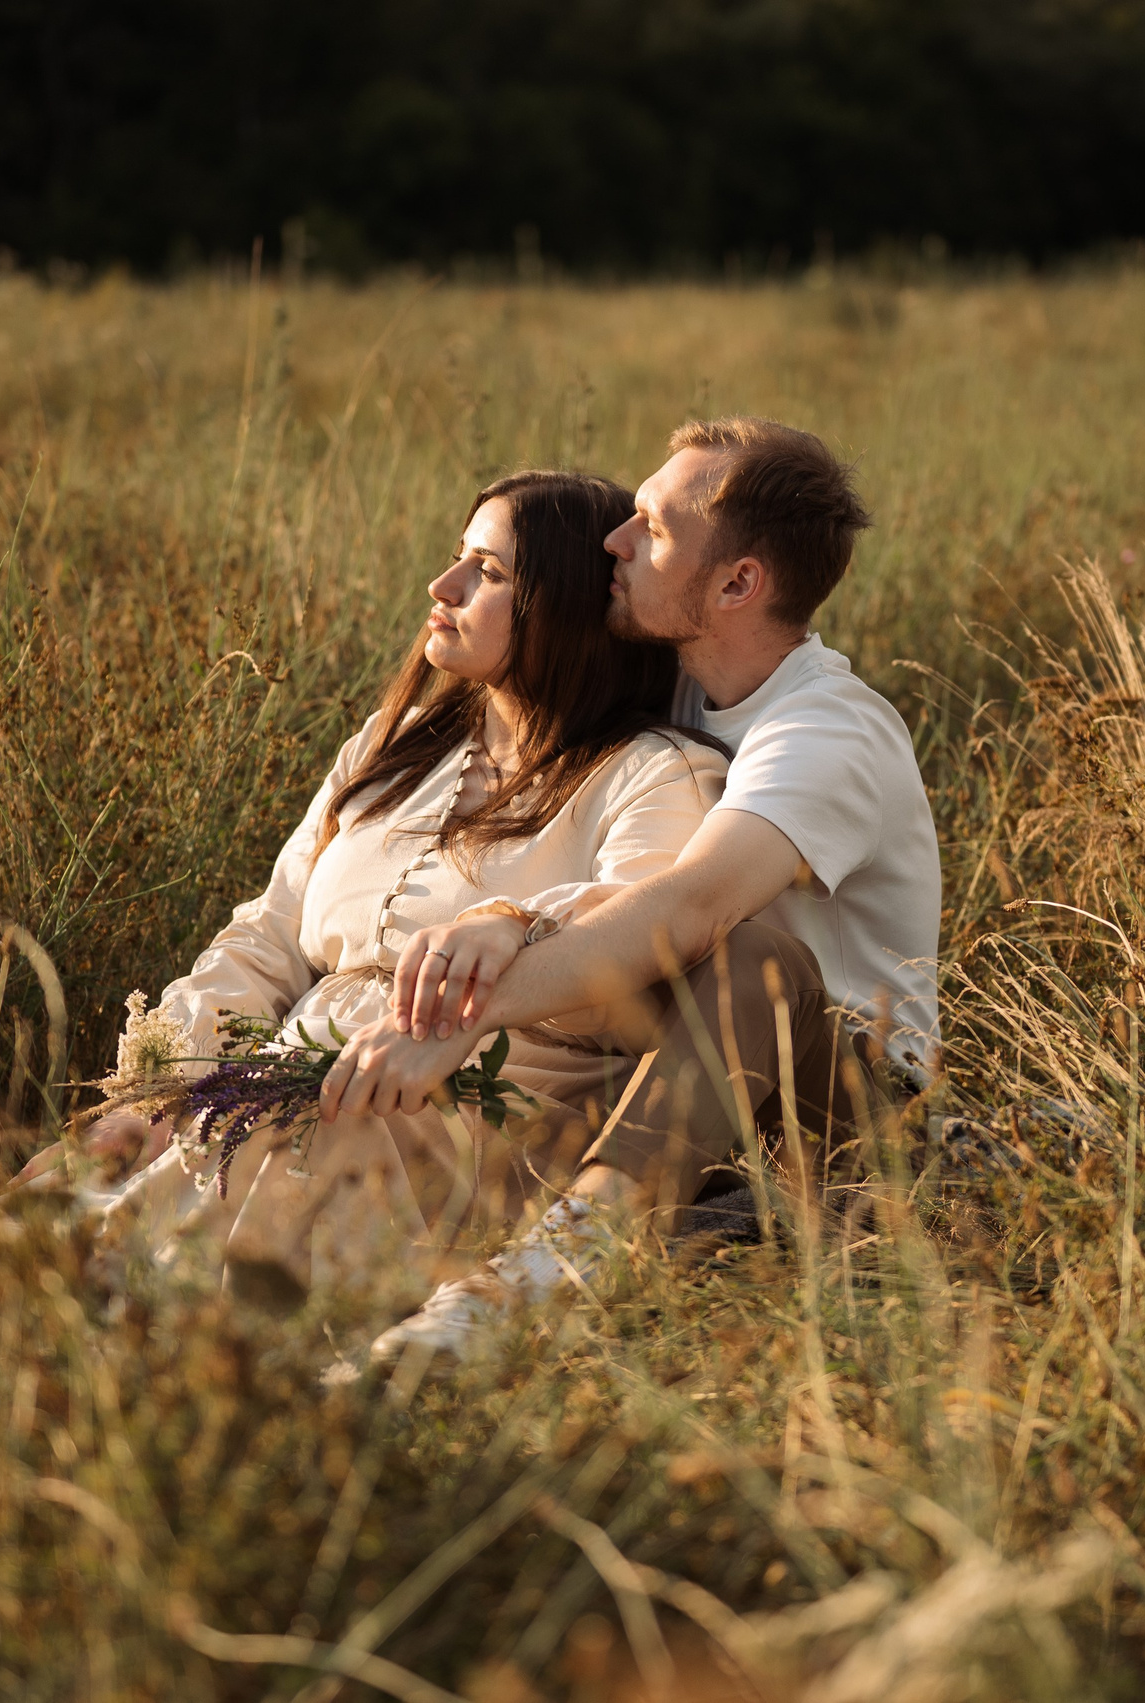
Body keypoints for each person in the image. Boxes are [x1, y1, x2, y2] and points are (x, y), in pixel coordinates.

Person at [318, 416, 941, 1364]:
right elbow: (617, 890)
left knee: (758, 959)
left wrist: (450, 1015)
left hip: (834, 1103)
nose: (614, 539)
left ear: (738, 584)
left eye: (648, 527)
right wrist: (505, 918)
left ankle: (555, 1265)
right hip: (671, 1064)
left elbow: (688, 910)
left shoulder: (827, 732)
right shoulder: (686, 690)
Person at [70, 470, 729, 1304]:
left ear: (560, 608)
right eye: (459, 557)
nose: (442, 586)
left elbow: (634, 940)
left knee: (235, 1186)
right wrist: (152, 1095)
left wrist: (512, 926)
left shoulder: (655, 775)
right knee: (99, 1189)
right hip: (292, 1084)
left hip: (491, 1122)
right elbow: (269, 933)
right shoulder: (395, 750)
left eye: (487, 573)